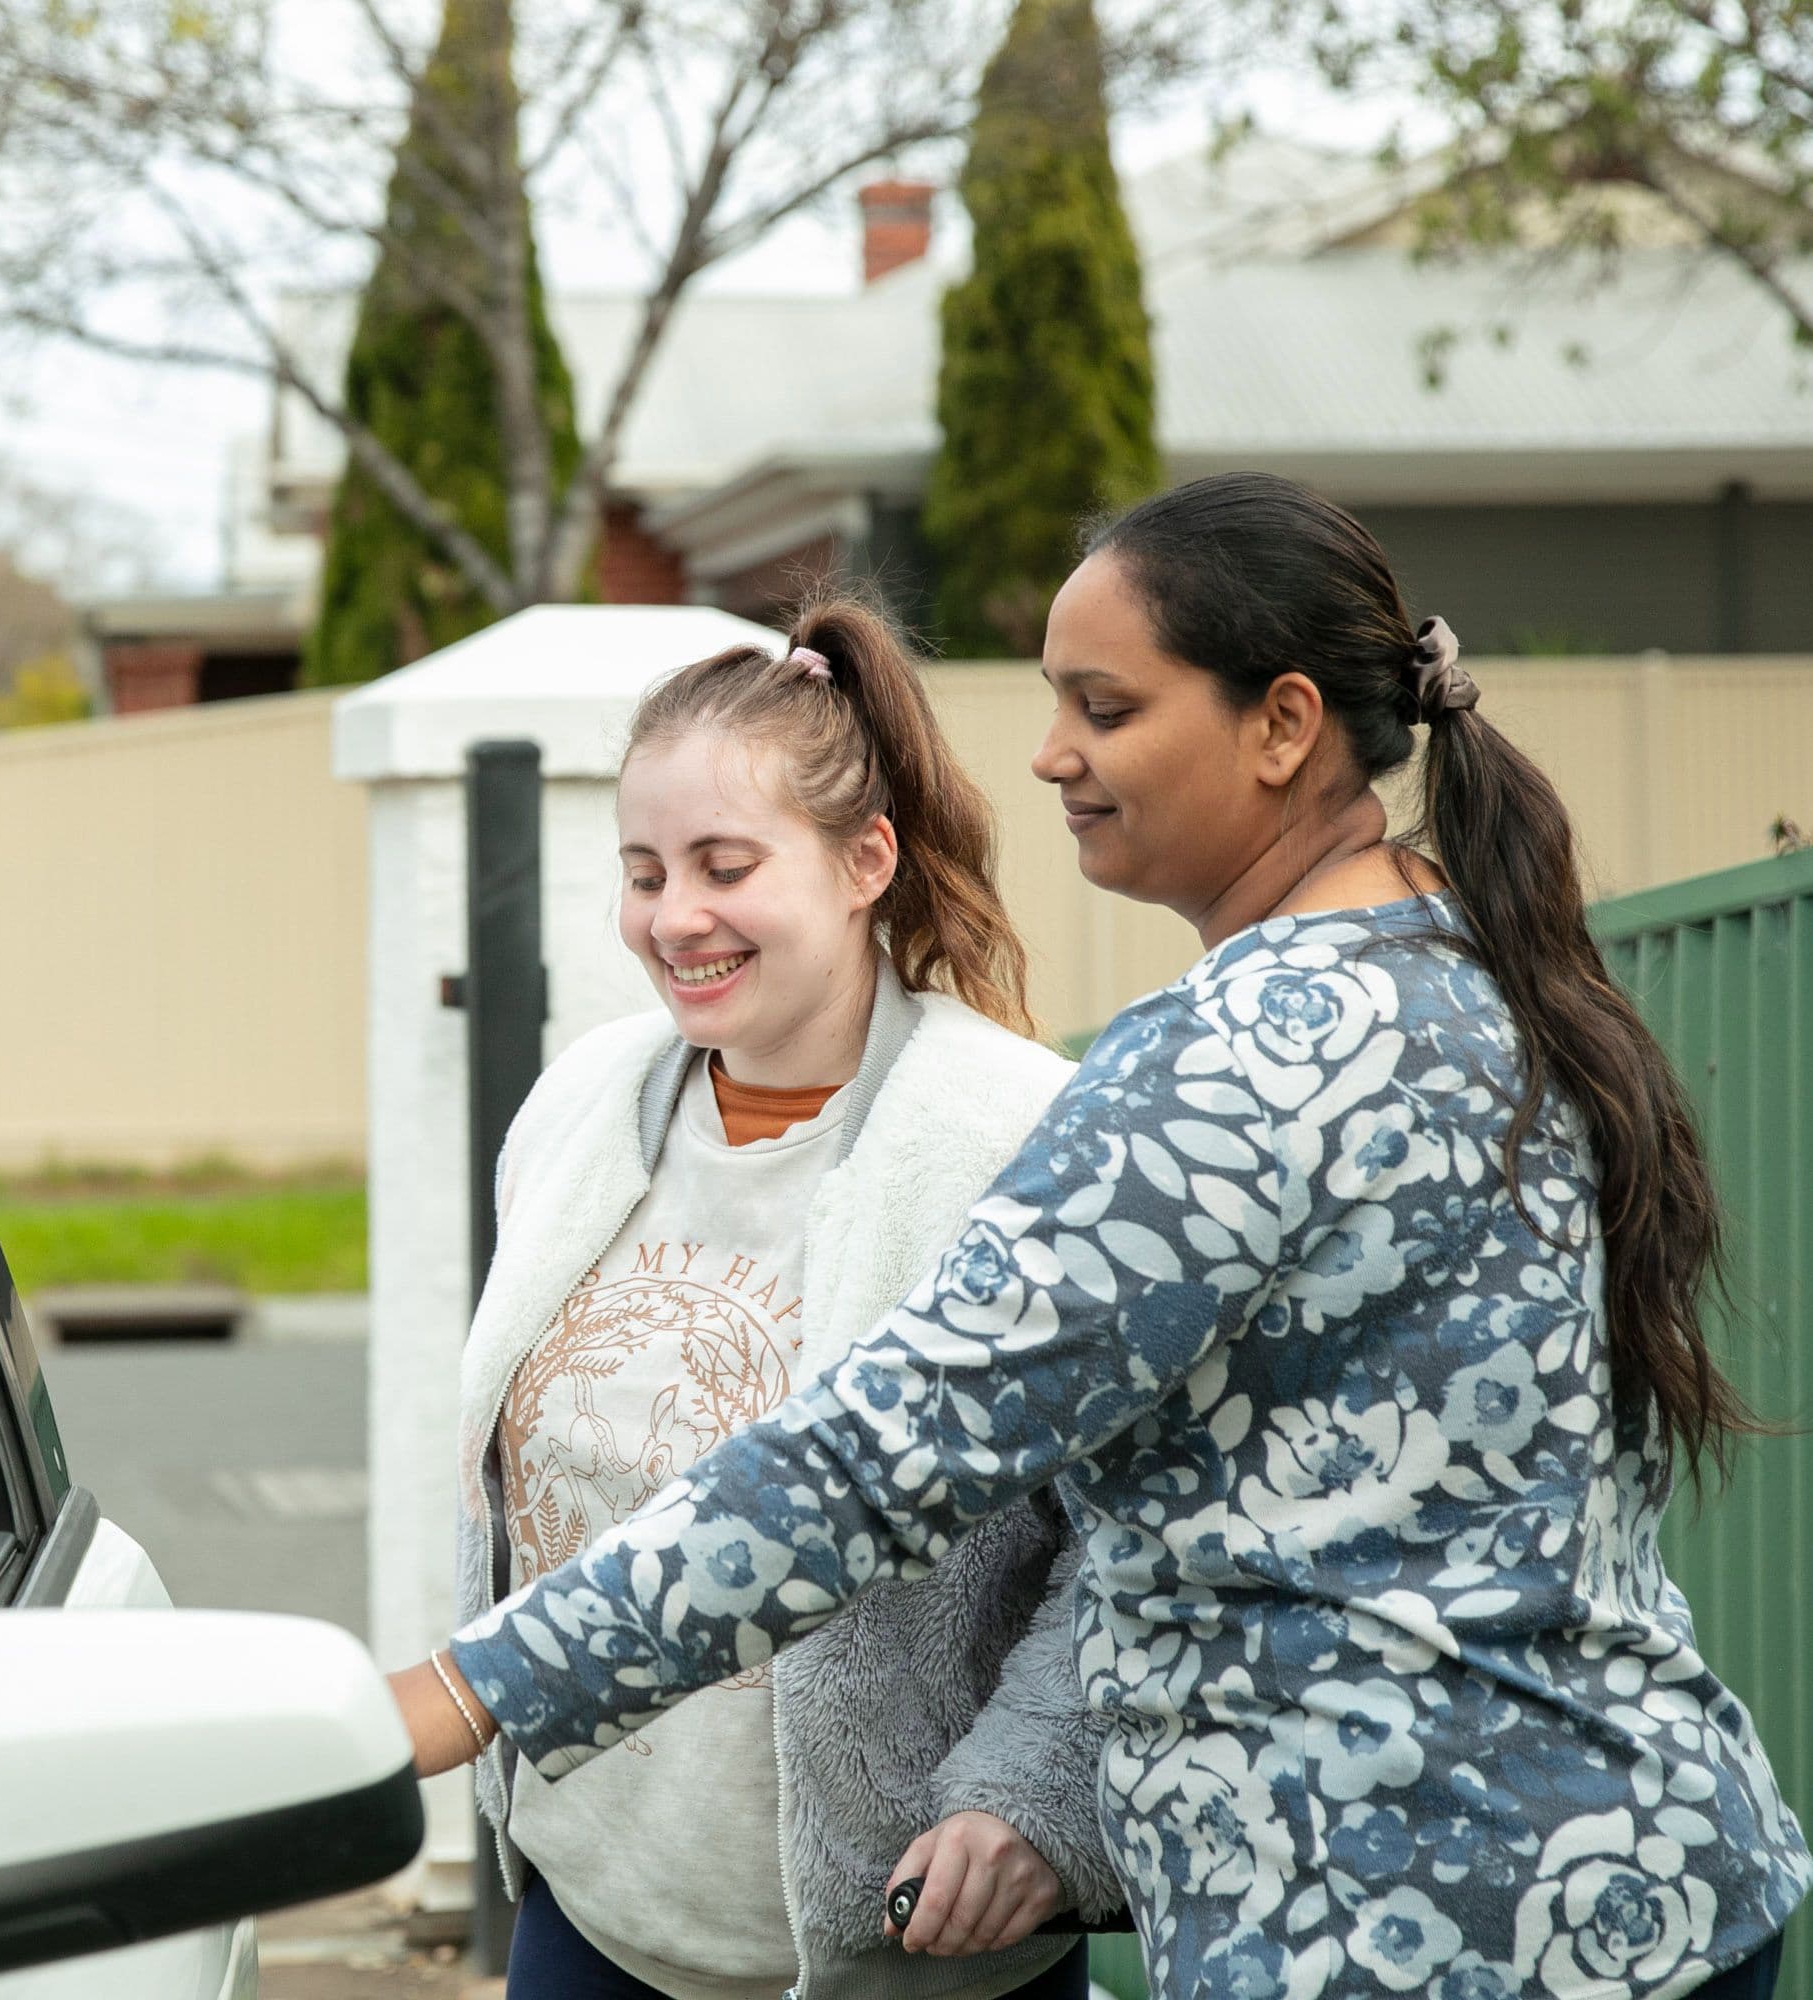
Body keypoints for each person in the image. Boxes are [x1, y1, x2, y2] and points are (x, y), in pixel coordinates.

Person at [394, 474, 1811, 2000]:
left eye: (1107, 707)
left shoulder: (1231, 1060)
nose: (1054, 751)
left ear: (1281, 727)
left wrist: (464, 1692)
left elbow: (879, 1458)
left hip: (1424, 1923)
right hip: (1653, 1875)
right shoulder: (1478, 968)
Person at [454, 597, 1126, 2000]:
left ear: (864, 860)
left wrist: (1032, 1791)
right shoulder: (577, 1113)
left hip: (911, 1956)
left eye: (724, 863)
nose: (672, 916)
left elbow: (1137, 1536)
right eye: (642, 871)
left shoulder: (1026, 1142)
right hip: (596, 1926)